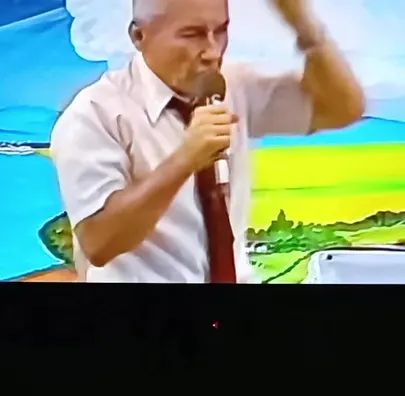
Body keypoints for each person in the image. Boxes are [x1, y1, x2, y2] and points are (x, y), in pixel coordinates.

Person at [51, 0, 365, 283]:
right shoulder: (94, 114)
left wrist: (304, 26)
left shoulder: (234, 85)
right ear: (139, 36)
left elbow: (340, 110)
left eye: (221, 31)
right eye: (193, 34)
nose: (213, 51)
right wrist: (185, 159)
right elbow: (99, 243)